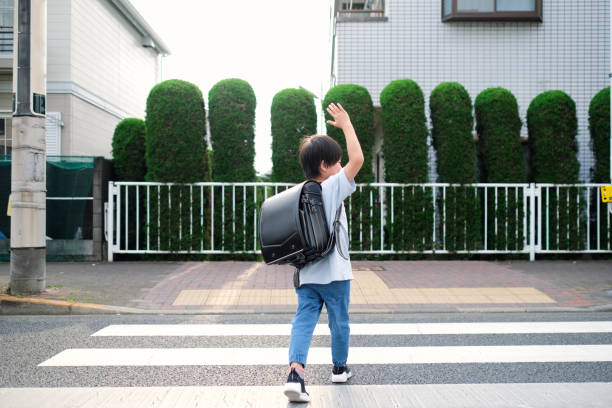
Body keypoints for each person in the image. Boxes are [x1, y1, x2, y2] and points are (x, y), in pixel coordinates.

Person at [283, 102, 364, 403]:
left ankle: (296, 373)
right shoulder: (331, 188)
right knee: (339, 321)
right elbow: (358, 158)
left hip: (306, 274)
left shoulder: (300, 192)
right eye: (337, 163)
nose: (342, 167)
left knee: (303, 321)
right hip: (335, 274)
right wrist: (346, 124)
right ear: (324, 167)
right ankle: (339, 369)